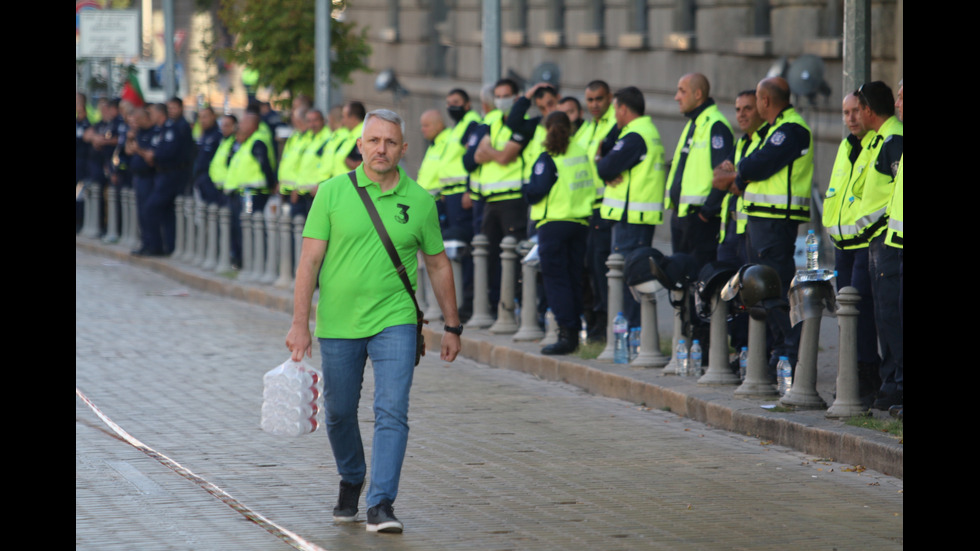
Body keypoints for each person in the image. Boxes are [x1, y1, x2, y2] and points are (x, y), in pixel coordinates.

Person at [286, 109, 461, 534]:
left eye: (390, 142)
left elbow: (438, 266)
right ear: (360, 145)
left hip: (395, 320)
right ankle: (351, 478)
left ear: (404, 148)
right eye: (373, 140)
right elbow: (309, 261)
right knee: (339, 412)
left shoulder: (419, 201)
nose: (381, 148)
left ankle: (381, 502)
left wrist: (453, 326)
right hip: (338, 323)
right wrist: (299, 323)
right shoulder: (330, 193)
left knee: (391, 410)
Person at [731, 77, 814, 372]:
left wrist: (742, 172)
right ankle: (780, 353)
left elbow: (754, 165)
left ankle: (792, 356)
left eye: (756, 99)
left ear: (765, 100)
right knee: (761, 291)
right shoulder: (776, 129)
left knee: (774, 290)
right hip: (762, 219)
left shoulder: (790, 129)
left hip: (776, 222)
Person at [821, 91, 881, 405]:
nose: (850, 119)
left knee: (860, 312)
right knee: (846, 314)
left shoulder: (876, 145)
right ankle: (853, 374)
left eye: (855, 111)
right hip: (842, 244)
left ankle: (866, 373)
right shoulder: (846, 145)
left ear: (867, 111)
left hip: (864, 242)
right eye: (845, 113)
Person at [523, 111, 596, 354]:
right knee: (574, 278)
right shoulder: (580, 152)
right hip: (579, 222)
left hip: (554, 223)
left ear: (547, 129)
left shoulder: (548, 156)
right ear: (571, 128)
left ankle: (566, 333)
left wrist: (526, 188)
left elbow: (537, 190)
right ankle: (574, 333)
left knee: (556, 280)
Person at [595, 86, 667, 329]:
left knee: (631, 280)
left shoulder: (635, 135)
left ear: (623, 109)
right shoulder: (646, 131)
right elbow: (607, 153)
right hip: (637, 218)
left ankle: (635, 335)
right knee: (636, 278)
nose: (614, 116)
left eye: (616, 110)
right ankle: (637, 335)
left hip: (631, 220)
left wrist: (603, 167)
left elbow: (605, 167)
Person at [851, 81, 903, 411]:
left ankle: (895, 384)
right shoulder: (880, 140)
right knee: (885, 316)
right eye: (898, 95)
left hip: (889, 242)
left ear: (869, 109)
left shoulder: (894, 138)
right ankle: (892, 383)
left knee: (891, 316)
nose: (900, 102)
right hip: (880, 240)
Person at [470, 78, 533, 308]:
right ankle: (496, 305)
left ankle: (513, 306)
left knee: (513, 257)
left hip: (512, 199)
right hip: (490, 201)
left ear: (517, 98)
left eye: (506, 96)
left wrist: (492, 152)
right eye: (497, 96)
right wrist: (497, 153)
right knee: (490, 257)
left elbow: (506, 157)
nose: (501, 100)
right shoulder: (493, 122)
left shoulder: (522, 124)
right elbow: (477, 156)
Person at [666, 73, 734, 271]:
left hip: (700, 221)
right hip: (683, 217)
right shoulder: (694, 123)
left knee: (698, 283)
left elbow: (724, 174)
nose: (676, 97)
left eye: (682, 91)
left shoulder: (715, 125)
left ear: (698, 94)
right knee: (681, 280)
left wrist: (706, 214)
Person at [579, 80, 619, 341]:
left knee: (602, 269)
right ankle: (594, 321)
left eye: (599, 99)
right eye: (590, 100)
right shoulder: (586, 128)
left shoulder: (615, 126)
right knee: (588, 269)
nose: (594, 105)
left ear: (610, 98)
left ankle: (606, 324)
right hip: (585, 210)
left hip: (605, 209)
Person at [191, 106, 225, 205]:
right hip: (201, 178)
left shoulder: (218, 136)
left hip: (212, 180)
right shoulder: (202, 135)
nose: (202, 120)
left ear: (213, 117)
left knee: (214, 210)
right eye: (200, 117)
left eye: (205, 117)